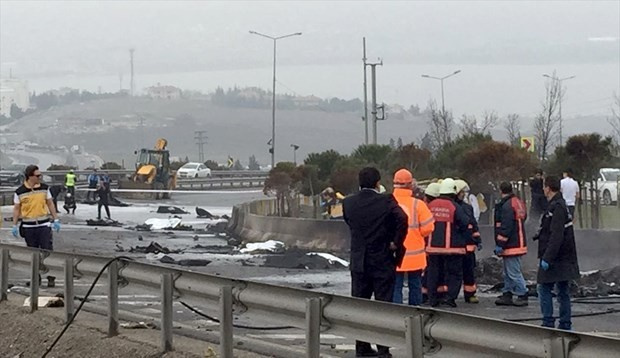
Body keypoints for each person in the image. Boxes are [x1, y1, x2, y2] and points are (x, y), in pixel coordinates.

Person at [343, 167, 408, 358]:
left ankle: (361, 347)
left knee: (360, 306)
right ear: (378, 183)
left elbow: (350, 222)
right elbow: (403, 219)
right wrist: (395, 242)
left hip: (359, 262)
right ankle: (383, 349)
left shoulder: (349, 203)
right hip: (381, 260)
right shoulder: (386, 200)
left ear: (359, 183)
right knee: (383, 306)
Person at [534, 176, 580, 330]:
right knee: (562, 290)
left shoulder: (557, 207)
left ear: (548, 188)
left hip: (557, 258)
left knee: (544, 288)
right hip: (563, 256)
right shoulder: (558, 205)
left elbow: (556, 235)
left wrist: (547, 258)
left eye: (544, 187)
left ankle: (549, 322)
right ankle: (564, 323)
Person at [391, 169, 435, 306]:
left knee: (395, 286)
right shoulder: (418, 204)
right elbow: (429, 227)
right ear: (410, 185)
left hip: (394, 253)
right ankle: (415, 313)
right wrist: (417, 235)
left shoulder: (387, 203)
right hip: (415, 256)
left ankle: (396, 314)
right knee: (415, 285)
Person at [426, 178, 469, 308]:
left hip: (433, 247)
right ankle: (450, 298)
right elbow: (465, 222)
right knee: (454, 273)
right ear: (453, 192)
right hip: (453, 248)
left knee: (433, 272)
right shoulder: (454, 206)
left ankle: (433, 298)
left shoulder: (431, 205)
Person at [494, 182, 529, 307]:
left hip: (511, 244)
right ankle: (507, 293)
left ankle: (522, 293)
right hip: (517, 241)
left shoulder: (507, 206)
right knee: (508, 272)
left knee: (513, 272)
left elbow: (506, 227)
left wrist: (500, 244)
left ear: (501, 190)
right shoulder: (518, 202)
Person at [12, 165, 61, 250]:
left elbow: (50, 203)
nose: (40, 177)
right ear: (30, 177)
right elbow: (17, 209)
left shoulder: (44, 188)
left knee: (47, 250)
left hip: (44, 225)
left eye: (40, 175)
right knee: (33, 253)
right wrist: (14, 225)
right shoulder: (19, 192)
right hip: (28, 227)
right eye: (37, 176)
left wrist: (56, 219)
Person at [455, 179, 482, 304]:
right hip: (456, 246)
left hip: (469, 246)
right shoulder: (453, 207)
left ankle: (470, 294)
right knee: (454, 272)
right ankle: (451, 294)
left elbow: (473, 224)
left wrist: (477, 239)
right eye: (462, 192)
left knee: (469, 272)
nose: (463, 194)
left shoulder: (467, 208)